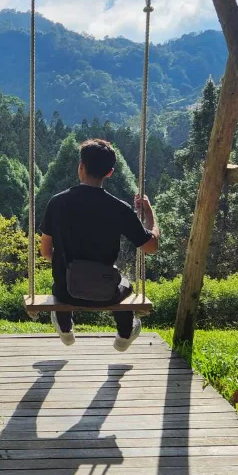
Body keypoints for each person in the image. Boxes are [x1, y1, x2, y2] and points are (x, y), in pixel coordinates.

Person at [39, 138, 159, 351]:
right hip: (106, 293)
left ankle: (65, 325)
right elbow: (151, 246)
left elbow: (45, 251)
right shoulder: (119, 209)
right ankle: (124, 334)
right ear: (110, 172)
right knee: (125, 283)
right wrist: (149, 212)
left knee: (61, 273)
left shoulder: (56, 203)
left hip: (66, 291)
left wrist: (66, 262)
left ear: (81, 167)